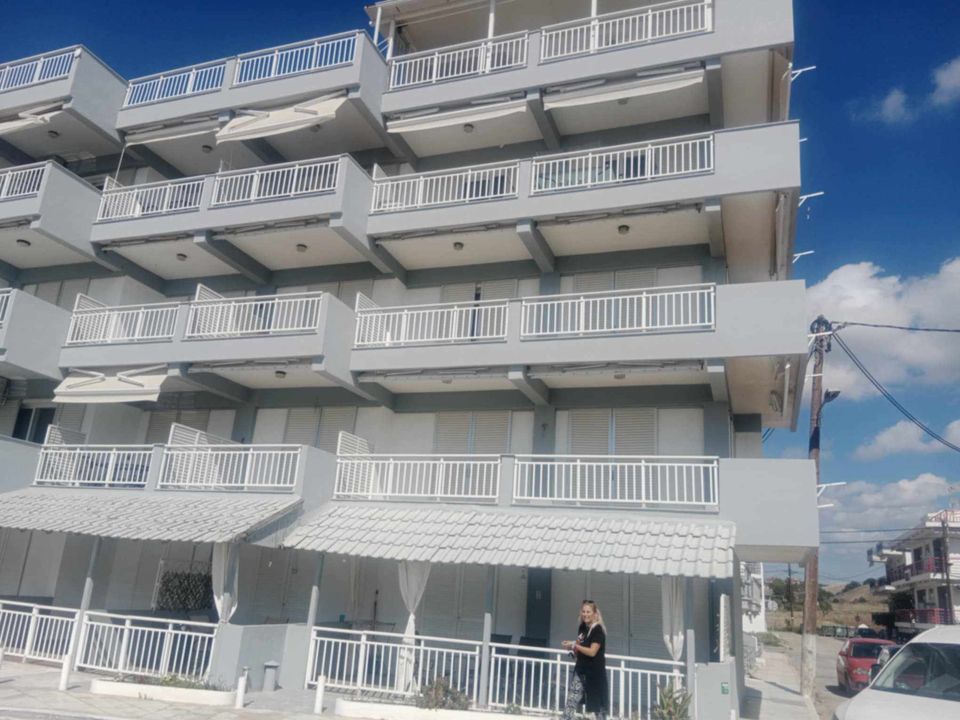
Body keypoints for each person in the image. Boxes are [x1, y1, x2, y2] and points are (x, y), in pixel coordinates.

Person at [561, 600, 609, 720]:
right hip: (581, 670)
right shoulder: (582, 628)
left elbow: (592, 652)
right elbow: (578, 644)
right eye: (583, 611)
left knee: (596, 707)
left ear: (594, 614)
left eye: (588, 612)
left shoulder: (598, 630)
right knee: (572, 700)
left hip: (594, 674)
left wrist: (575, 646)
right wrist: (571, 646)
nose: (585, 614)